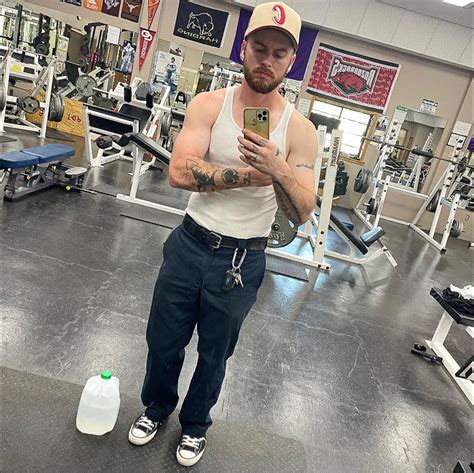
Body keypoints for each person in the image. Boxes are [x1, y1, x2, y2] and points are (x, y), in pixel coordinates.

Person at [128, 1, 318, 467]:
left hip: (241, 260)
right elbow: (178, 172)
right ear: (243, 48)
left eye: (278, 53)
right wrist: (247, 176)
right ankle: (156, 408)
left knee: (215, 355)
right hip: (190, 244)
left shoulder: (301, 131)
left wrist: (277, 169)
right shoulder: (209, 105)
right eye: (259, 48)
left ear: (291, 61)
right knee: (164, 341)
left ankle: (195, 426)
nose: (267, 60)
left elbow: (302, 211)